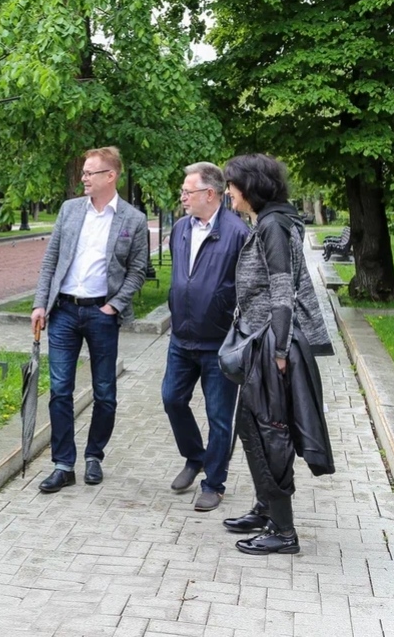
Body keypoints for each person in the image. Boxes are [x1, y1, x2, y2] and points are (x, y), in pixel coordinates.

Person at [222, 153, 335, 555]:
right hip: (263, 341)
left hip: (271, 343)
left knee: (269, 432)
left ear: (250, 186)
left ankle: (283, 532)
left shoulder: (272, 225)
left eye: (232, 185)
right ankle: (265, 508)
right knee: (251, 425)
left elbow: (282, 289)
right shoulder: (271, 221)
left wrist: (280, 351)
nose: (228, 192)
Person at [31, 146, 150, 493]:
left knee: (105, 392)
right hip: (64, 311)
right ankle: (63, 464)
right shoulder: (69, 210)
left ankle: (94, 455)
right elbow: (50, 260)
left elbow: (137, 271)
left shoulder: (133, 219)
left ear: (110, 176)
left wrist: (114, 306)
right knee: (60, 390)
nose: (83, 177)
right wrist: (40, 304)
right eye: (83, 172)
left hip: (102, 314)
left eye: (89, 172)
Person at [161, 162, 249, 512]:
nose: (183, 197)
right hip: (181, 338)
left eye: (188, 191)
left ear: (210, 194)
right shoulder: (180, 228)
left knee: (219, 416)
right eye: (183, 191)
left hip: (219, 343)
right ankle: (195, 456)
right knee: (171, 399)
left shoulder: (237, 232)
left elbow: (247, 286)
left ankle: (214, 483)